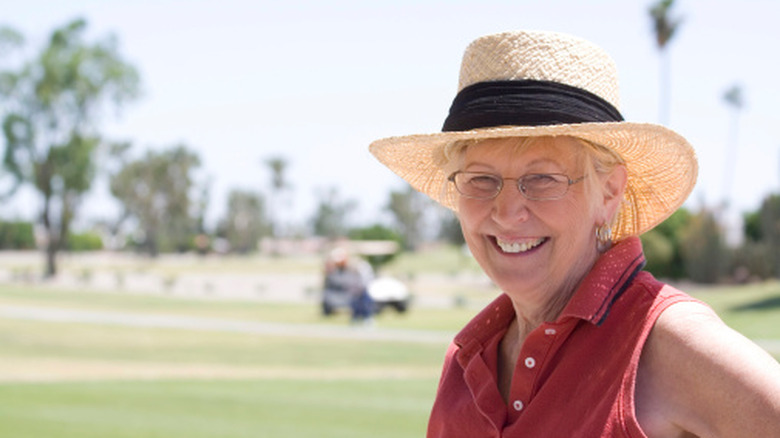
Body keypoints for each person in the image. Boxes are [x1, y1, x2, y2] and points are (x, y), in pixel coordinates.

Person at [369, 30, 780, 437]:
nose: (508, 211)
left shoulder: (664, 344)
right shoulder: (464, 359)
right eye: (481, 179)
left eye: (542, 178)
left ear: (609, 192)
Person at [322, 247, 374, 324]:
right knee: (357, 301)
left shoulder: (352, 269)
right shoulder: (333, 273)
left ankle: (365, 318)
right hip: (347, 293)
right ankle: (356, 318)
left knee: (364, 300)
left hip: (356, 291)